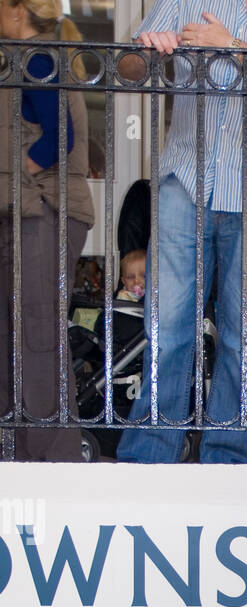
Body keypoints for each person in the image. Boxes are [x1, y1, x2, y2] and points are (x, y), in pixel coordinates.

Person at [115, 0, 247, 464]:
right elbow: (127, 68)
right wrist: (151, 51)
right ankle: (149, 455)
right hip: (183, 180)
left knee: (241, 337)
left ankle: (226, 456)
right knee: (167, 326)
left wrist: (229, 45)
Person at [0, 0, 94, 462]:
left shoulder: (36, 57)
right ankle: (20, 453)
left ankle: (52, 461)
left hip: (44, 209)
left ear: (17, 10)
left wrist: (20, 172)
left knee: (35, 335)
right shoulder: (30, 55)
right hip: (31, 208)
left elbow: (59, 137)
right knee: (21, 335)